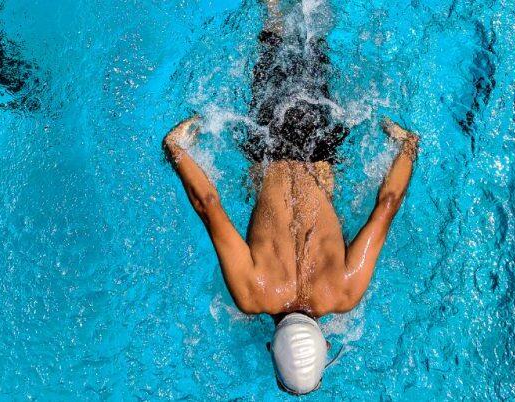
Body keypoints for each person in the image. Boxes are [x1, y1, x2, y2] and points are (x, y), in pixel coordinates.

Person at [162, 0, 419, 395]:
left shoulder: (345, 290)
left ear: (327, 344)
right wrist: (176, 150)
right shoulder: (252, 293)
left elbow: (386, 207)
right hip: (267, 141)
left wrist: (408, 147)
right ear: (270, 348)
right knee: (273, 29)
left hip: (321, 143)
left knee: (313, 36)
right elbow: (209, 207)